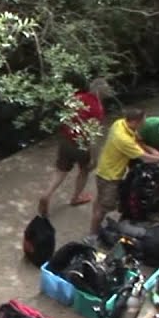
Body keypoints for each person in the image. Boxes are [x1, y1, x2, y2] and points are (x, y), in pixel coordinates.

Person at [89, 108, 159, 238]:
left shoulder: (119, 123)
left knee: (99, 200)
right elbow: (144, 158)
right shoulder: (123, 140)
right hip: (110, 175)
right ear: (135, 122)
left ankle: (95, 224)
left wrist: (143, 143)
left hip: (103, 168)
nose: (144, 123)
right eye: (142, 121)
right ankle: (92, 234)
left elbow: (135, 136)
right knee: (104, 207)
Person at [38, 77, 112, 216]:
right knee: (84, 171)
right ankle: (75, 197)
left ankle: (46, 194)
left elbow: (65, 118)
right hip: (82, 145)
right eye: (107, 89)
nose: (108, 91)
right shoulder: (97, 109)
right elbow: (93, 136)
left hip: (66, 141)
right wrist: (94, 157)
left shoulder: (76, 97)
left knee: (60, 171)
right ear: (100, 91)